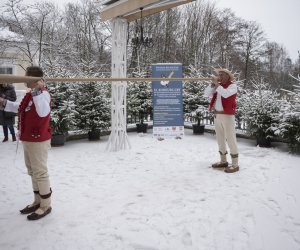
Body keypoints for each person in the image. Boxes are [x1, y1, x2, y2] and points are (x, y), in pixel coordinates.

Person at [0, 66, 52, 220]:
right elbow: (20, 108)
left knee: (40, 172)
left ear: (34, 79)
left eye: (26, 77)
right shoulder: (30, 95)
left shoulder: (43, 94)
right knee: (32, 171)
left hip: (38, 140)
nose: (23, 79)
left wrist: (37, 90)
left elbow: (43, 112)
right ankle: (38, 201)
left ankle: (46, 205)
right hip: (28, 139)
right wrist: (3, 102)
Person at [204, 68, 239, 173]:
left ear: (228, 76)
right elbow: (206, 94)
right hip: (217, 116)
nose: (220, 77)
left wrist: (217, 85)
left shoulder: (233, 86)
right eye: (219, 75)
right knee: (220, 139)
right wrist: (212, 85)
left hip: (227, 116)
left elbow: (225, 94)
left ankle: (235, 164)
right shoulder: (218, 87)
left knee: (231, 139)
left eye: (222, 75)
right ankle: (223, 161)